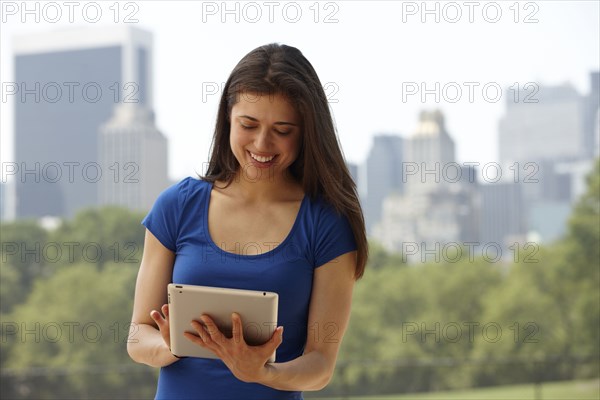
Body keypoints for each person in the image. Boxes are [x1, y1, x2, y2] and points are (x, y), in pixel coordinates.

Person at [127, 43, 368, 400]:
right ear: (228, 118)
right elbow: (137, 336)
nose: (262, 143)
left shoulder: (327, 223)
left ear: (306, 132)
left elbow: (320, 364)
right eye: (248, 124)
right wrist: (171, 345)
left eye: (283, 129)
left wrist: (262, 372)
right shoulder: (176, 207)